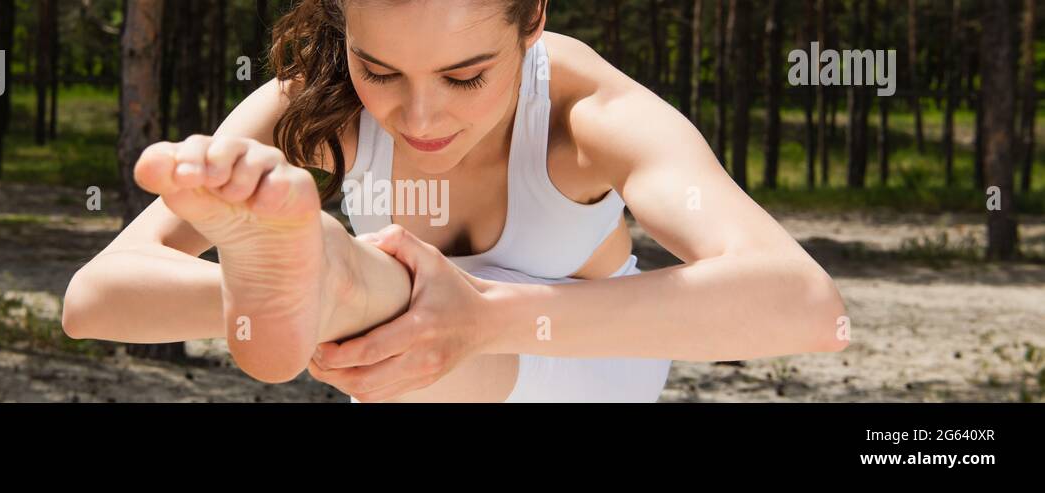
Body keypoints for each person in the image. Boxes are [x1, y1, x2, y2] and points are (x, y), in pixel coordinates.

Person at [61, 0, 849, 403]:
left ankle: (348, 287)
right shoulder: (316, 105)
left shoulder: (588, 113)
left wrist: (481, 316)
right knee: (396, 314)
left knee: (402, 312)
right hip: (419, 380)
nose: (421, 118)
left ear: (533, 18)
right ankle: (334, 286)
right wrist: (287, 302)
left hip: (582, 380)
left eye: (466, 75)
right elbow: (95, 298)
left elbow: (806, 305)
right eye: (381, 71)